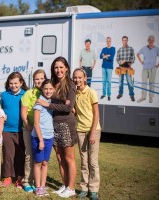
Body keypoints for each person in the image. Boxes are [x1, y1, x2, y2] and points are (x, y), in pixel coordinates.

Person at [36, 56, 77, 198]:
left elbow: (68, 108)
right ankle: (65, 185)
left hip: (66, 124)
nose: (58, 70)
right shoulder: (53, 83)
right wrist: (61, 104)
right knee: (59, 157)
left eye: (61, 67)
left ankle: (71, 188)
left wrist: (49, 104)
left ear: (66, 68)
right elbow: (58, 102)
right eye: (56, 67)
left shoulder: (70, 84)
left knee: (69, 158)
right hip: (54, 123)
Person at [73, 68, 101, 200]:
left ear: (85, 78)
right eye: (75, 77)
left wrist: (92, 133)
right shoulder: (75, 93)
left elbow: (96, 113)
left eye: (80, 77)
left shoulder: (91, 92)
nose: (77, 80)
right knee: (84, 161)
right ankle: (84, 188)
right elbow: (76, 111)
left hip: (92, 130)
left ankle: (94, 189)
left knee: (93, 161)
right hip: (80, 130)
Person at [21, 69, 47, 192]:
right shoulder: (29, 93)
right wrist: (28, 125)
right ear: (33, 81)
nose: (39, 81)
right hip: (29, 128)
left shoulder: (48, 91)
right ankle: (27, 180)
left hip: (44, 130)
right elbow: (24, 112)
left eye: (42, 78)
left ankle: (39, 181)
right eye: (37, 79)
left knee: (40, 157)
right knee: (30, 154)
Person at [0, 72, 28, 188]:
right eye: (11, 83)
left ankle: (20, 177)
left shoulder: (25, 95)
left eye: (16, 83)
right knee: (8, 154)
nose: (13, 85)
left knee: (20, 155)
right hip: (7, 130)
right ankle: (7, 176)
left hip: (22, 130)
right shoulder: (4, 95)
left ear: (21, 83)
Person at [32, 79, 55, 197]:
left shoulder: (51, 102)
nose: (48, 91)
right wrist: (40, 140)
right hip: (39, 137)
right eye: (46, 88)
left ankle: (43, 186)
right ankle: (38, 187)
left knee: (45, 162)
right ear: (42, 89)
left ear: (54, 89)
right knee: (38, 162)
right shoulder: (39, 103)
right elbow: (36, 123)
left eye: (51, 88)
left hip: (49, 137)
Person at [136, 35, 159, 103]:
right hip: (145, 69)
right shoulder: (144, 48)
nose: (151, 41)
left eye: (152, 40)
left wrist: (158, 65)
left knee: (152, 83)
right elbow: (137, 54)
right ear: (148, 40)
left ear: (154, 41)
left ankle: (151, 97)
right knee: (144, 83)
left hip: (153, 69)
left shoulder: (157, 49)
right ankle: (143, 97)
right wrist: (141, 61)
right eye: (150, 40)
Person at [116, 36, 136, 101]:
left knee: (130, 82)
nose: (124, 41)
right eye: (123, 40)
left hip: (128, 68)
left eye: (126, 40)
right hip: (121, 68)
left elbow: (133, 58)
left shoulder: (131, 49)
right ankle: (120, 94)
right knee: (120, 82)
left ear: (127, 41)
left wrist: (130, 63)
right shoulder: (119, 50)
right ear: (122, 41)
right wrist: (120, 62)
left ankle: (131, 95)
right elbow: (117, 59)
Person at [100, 37, 116, 101]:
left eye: (109, 41)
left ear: (111, 41)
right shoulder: (104, 49)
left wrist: (105, 56)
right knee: (104, 81)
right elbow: (100, 56)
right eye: (107, 41)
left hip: (109, 67)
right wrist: (107, 55)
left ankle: (109, 95)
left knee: (109, 81)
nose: (108, 42)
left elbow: (111, 58)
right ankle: (104, 94)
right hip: (103, 67)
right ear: (106, 42)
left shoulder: (113, 49)